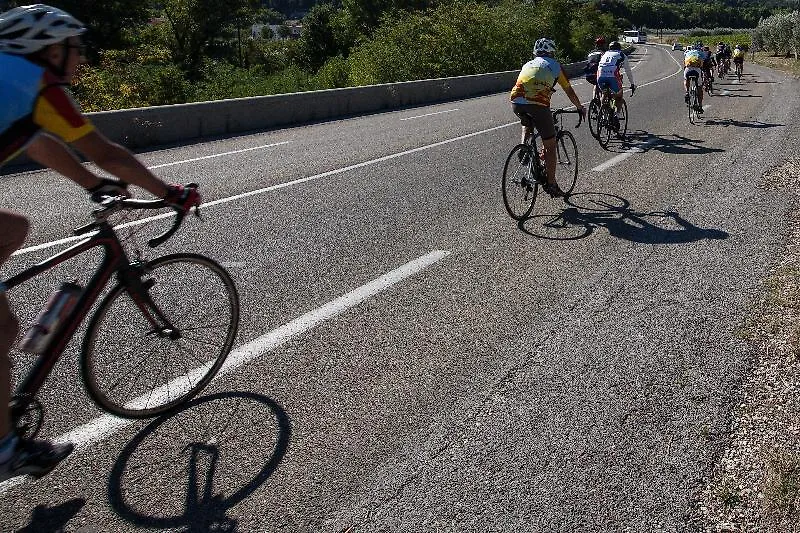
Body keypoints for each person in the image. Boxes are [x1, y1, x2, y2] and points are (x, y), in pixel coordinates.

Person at [0, 4, 200, 483]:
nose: (82, 59)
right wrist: (170, 193)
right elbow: (108, 151)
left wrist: (90, 184)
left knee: (14, 231)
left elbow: (35, 142)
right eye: (76, 48)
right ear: (50, 50)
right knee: (0, 330)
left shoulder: (13, 83)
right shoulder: (41, 87)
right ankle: (6, 448)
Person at [510, 38, 585, 198]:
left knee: (527, 121)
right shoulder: (556, 66)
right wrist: (579, 107)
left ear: (535, 52)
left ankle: (524, 146)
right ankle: (551, 184)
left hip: (516, 101)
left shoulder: (527, 64)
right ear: (552, 52)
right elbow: (569, 90)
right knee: (550, 146)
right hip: (538, 104)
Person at [595, 41, 636, 129]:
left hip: (600, 76)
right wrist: (632, 84)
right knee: (619, 96)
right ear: (619, 48)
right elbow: (628, 71)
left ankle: (603, 116)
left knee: (604, 94)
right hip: (612, 76)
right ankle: (616, 116)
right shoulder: (621, 55)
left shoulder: (605, 54)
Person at [584, 37, 607, 101]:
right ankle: (603, 105)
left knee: (596, 85)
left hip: (589, 75)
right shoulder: (604, 53)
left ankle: (594, 100)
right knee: (605, 88)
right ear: (603, 44)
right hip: (599, 75)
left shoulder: (591, 53)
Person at [683, 44, 705, 113]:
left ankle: (687, 92)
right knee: (700, 89)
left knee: (686, 80)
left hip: (688, 69)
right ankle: (700, 106)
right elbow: (704, 60)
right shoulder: (700, 52)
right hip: (697, 70)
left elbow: (684, 62)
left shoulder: (687, 52)